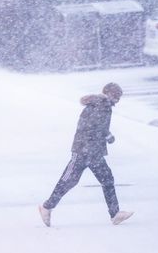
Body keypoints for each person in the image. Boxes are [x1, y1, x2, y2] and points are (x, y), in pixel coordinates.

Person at [39, 82, 133, 227]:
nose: (117, 100)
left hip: (93, 151)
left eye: (119, 97)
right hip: (83, 150)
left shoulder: (102, 105)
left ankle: (115, 214)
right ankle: (47, 207)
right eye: (116, 96)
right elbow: (89, 126)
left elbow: (97, 126)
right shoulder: (100, 104)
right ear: (108, 93)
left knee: (107, 179)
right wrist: (104, 136)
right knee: (69, 180)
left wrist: (106, 135)